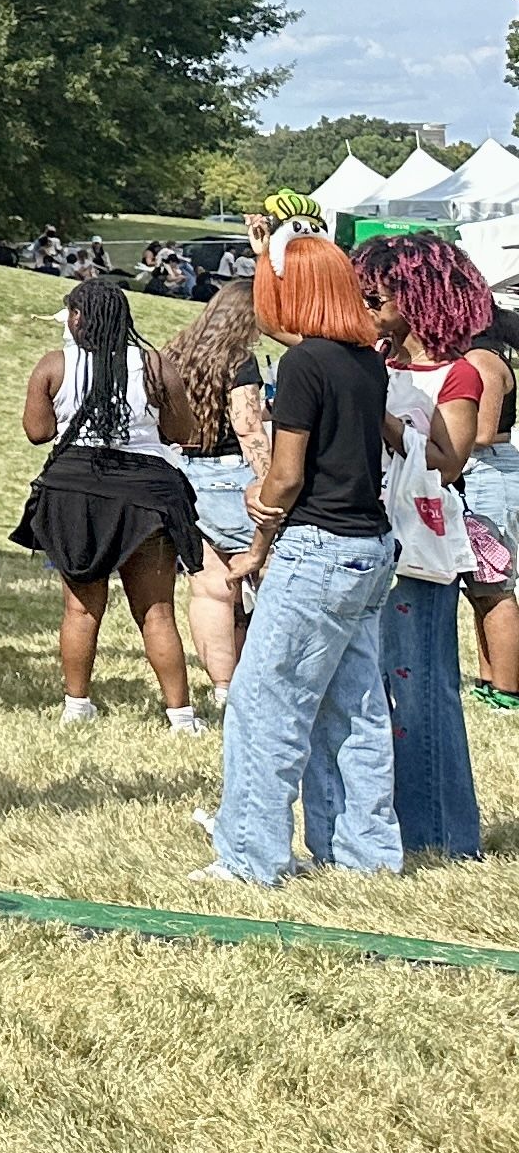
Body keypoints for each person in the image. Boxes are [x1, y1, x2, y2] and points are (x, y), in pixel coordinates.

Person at [205, 228, 400, 887]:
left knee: (264, 707)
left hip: (317, 550)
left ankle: (249, 858)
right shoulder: (365, 360)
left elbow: (286, 478)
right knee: (356, 709)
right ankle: (365, 854)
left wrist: (260, 526)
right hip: (368, 548)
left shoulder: (306, 364)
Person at [12, 278, 202, 731]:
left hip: (75, 492)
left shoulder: (54, 366)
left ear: (79, 317)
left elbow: (37, 433)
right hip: (147, 494)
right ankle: (181, 716)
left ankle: (76, 706)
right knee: (156, 611)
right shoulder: (155, 365)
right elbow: (182, 432)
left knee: (80, 608)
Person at [350, 234, 484, 860]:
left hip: (422, 544)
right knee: (372, 684)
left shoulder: (458, 372)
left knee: (422, 686)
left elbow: (448, 461)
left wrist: (380, 414)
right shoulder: (368, 357)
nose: (367, 303)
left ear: (418, 294)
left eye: (378, 292)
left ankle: (442, 833)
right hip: (364, 531)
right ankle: (387, 821)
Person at [160, 280, 270, 696]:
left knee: (208, 588)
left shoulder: (173, 353)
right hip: (229, 476)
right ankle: (261, 680)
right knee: (266, 575)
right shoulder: (239, 360)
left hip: (181, 474)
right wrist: (270, 479)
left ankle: (223, 686)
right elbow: (247, 426)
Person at [458, 287, 519, 712]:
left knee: (495, 586)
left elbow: (480, 433)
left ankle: (509, 688)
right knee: (478, 588)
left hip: (489, 468)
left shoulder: (483, 359)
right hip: (479, 470)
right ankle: (489, 675)